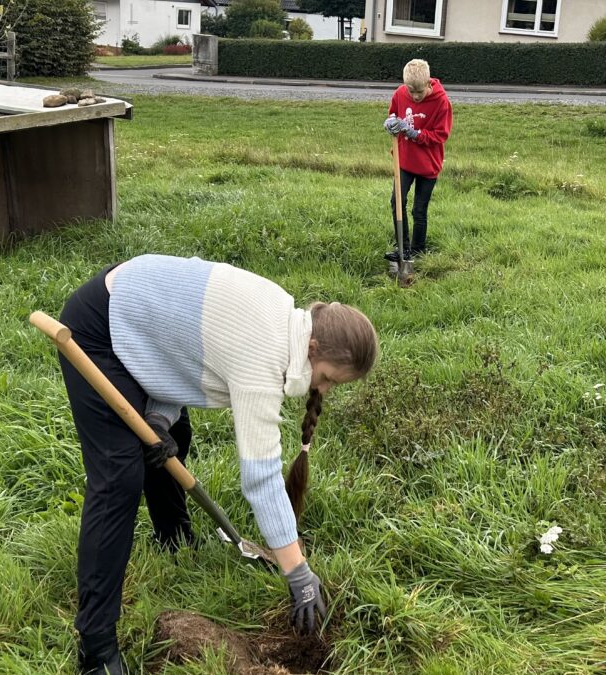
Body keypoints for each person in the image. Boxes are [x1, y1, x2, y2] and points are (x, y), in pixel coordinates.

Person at [56, 254, 378, 674]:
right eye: (330, 378)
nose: (326, 389)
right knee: (119, 477)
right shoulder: (265, 354)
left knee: (175, 436)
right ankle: (96, 651)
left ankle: (173, 541)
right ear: (313, 349)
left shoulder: (287, 320)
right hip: (100, 330)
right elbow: (261, 478)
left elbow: (183, 344)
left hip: (142, 318)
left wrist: (160, 415)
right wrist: (297, 571)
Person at [382, 58, 453, 263]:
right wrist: (390, 123)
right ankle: (402, 248)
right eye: (410, 91)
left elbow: (441, 135)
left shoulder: (442, 102)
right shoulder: (400, 93)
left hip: (428, 165)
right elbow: (393, 114)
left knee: (419, 209)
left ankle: (418, 249)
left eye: (419, 92)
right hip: (404, 161)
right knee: (397, 201)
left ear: (429, 84)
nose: (414, 96)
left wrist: (414, 133)